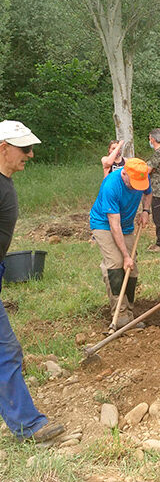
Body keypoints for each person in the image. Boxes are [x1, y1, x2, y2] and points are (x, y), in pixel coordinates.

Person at [0, 120, 64, 442]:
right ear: (3, 148)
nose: (31, 154)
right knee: (5, 350)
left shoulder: (4, 181)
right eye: (24, 149)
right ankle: (28, 426)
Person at [90, 158, 152, 328]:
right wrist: (125, 256)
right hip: (104, 224)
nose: (136, 187)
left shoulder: (141, 176)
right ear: (124, 173)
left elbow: (148, 192)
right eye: (133, 184)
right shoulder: (111, 185)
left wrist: (146, 211)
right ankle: (120, 315)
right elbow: (114, 225)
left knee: (132, 269)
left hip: (126, 225)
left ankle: (129, 313)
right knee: (117, 263)